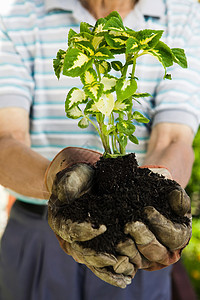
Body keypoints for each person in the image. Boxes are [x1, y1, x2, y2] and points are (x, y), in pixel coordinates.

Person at [0, 0, 200, 299]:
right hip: (40, 228)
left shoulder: (182, 14)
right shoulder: (18, 13)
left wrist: (163, 186)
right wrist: (56, 179)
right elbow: (6, 137)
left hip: (136, 237)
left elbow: (173, 138)